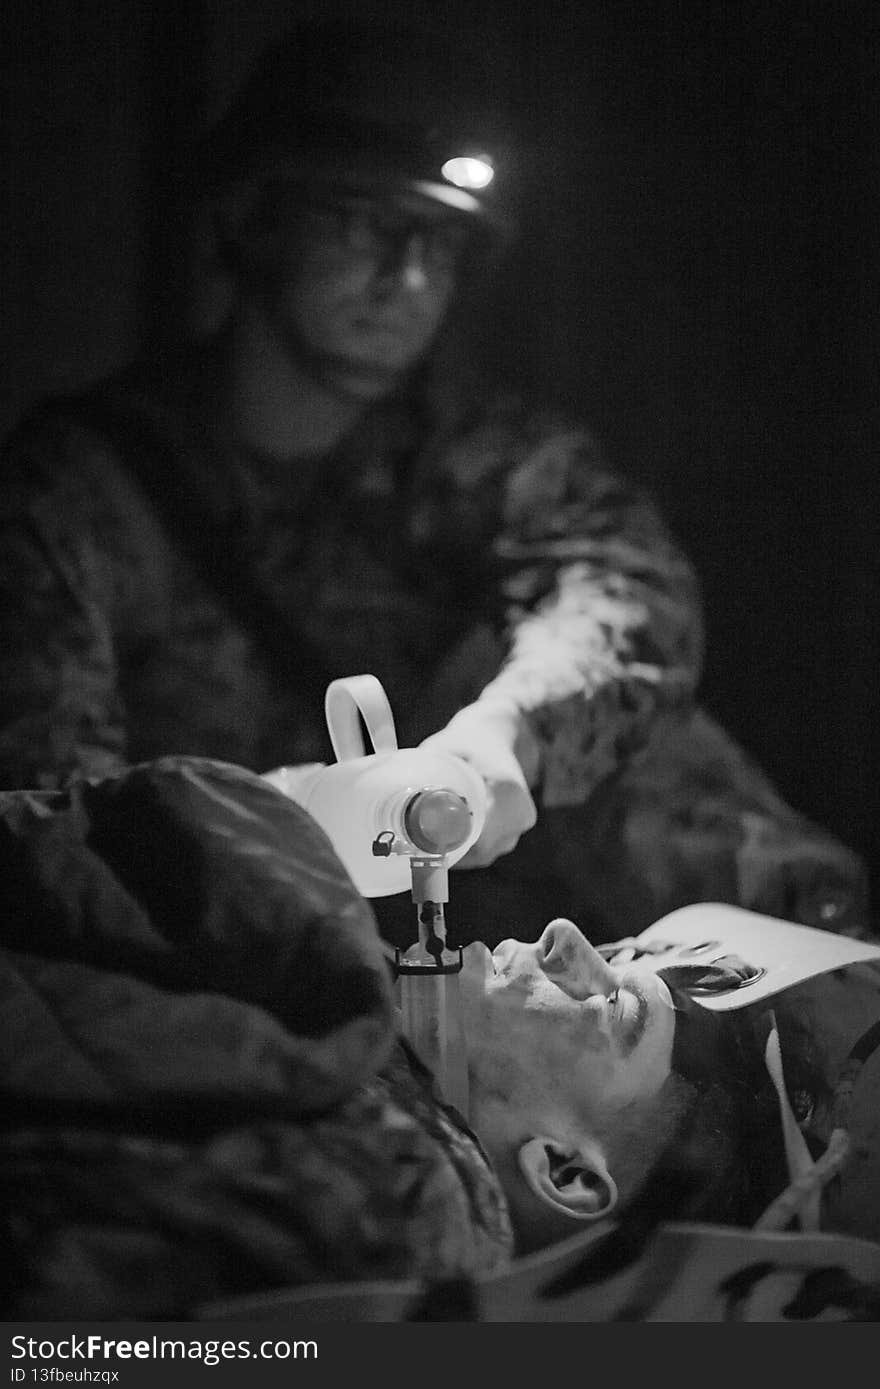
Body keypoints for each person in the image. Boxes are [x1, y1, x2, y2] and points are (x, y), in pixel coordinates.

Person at [0, 20, 868, 947]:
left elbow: (625, 593)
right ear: (254, 217)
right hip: (221, 946)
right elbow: (54, 826)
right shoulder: (82, 492)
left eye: (441, 244)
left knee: (638, 755)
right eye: (362, 223)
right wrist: (278, 833)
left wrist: (504, 741)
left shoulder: (480, 452)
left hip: (483, 940)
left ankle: (820, 1032)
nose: (408, 278)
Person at [2, 756, 879, 1320]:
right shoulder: (378, 1054)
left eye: (616, 1009)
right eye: (620, 955)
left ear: (566, 1173)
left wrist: (293, 815)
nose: (568, 939)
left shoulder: (407, 1210)